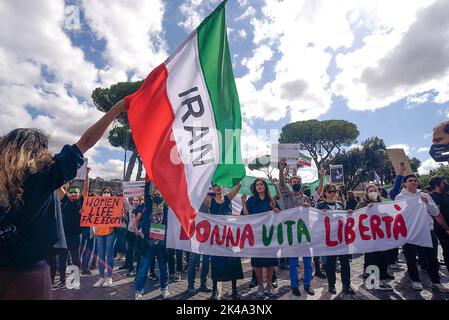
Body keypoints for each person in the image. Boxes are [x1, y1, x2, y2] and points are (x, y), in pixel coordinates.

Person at [0, 99, 127, 299]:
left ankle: (73, 281)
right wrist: (116, 110)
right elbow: (84, 143)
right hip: (29, 272)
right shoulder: (41, 175)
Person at [395, 174, 449, 292]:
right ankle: (415, 280)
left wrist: (427, 203)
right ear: (405, 183)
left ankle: (435, 281)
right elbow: (397, 214)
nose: (414, 182)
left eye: (415, 180)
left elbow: (435, 212)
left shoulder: (425, 196)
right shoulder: (400, 198)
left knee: (432, 258)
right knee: (411, 258)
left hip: (428, 231)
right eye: (410, 180)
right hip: (410, 233)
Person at [278, 160, 315, 297]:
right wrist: (281, 169)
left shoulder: (306, 198)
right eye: (294, 182)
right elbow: (281, 184)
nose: (296, 183)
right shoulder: (287, 195)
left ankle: (307, 284)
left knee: (307, 261)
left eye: (298, 181)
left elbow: (311, 213)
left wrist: (307, 207)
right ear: (291, 184)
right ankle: (294, 285)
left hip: (305, 233)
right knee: (293, 262)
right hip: (292, 233)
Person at [202, 183, 243, 300]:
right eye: (215, 186)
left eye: (220, 185)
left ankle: (235, 290)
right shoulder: (210, 201)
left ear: (223, 187)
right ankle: (214, 291)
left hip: (229, 237)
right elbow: (199, 193)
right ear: (213, 189)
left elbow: (238, 185)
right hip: (217, 239)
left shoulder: (228, 198)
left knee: (233, 262)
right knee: (216, 264)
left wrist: (229, 174)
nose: (218, 187)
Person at [242, 178, 280, 298]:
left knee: (270, 264)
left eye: (261, 184)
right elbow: (246, 215)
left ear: (265, 186)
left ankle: (268, 286)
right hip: (257, 236)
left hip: (270, 237)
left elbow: (279, 212)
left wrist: (276, 210)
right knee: (257, 264)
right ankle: (260, 286)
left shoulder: (271, 200)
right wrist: (243, 202)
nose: (259, 186)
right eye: (257, 184)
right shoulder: (251, 200)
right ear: (255, 187)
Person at [317, 184, 355, 296]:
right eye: (329, 191)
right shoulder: (320, 206)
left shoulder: (340, 204)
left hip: (342, 240)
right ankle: (331, 285)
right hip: (329, 241)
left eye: (334, 191)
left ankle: (346, 286)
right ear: (325, 193)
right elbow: (315, 222)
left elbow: (344, 220)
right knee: (331, 264)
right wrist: (320, 215)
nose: (332, 193)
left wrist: (349, 214)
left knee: (345, 264)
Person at [134, 185, 170, 300]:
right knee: (143, 268)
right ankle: (139, 291)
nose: (157, 196)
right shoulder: (148, 206)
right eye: (155, 194)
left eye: (159, 194)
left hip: (162, 244)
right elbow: (146, 191)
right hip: (148, 243)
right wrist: (148, 179)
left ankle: (164, 288)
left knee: (164, 268)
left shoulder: (166, 207)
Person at [356, 184, 393, 291]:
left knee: (382, 256)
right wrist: (367, 209)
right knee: (372, 257)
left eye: (374, 190)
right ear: (367, 193)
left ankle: (382, 277)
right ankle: (374, 277)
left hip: (381, 235)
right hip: (369, 235)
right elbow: (356, 215)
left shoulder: (382, 204)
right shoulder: (362, 204)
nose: (373, 192)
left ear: (378, 192)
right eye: (370, 191)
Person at [93, 187, 117, 288]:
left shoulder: (115, 205)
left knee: (109, 255)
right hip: (99, 233)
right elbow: (90, 214)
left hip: (110, 232)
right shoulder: (96, 204)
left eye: (108, 192)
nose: (106, 193)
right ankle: (101, 277)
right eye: (104, 192)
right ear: (101, 194)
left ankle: (109, 277)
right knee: (101, 256)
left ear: (111, 194)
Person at [430, 176, 449, 274]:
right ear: (436, 185)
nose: (445, 185)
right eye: (443, 183)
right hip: (442, 228)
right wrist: (446, 228)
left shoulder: (445, 194)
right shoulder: (433, 197)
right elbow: (437, 214)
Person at [122, 197, 142, 276]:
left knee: (137, 253)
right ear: (132, 201)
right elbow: (125, 200)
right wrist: (124, 214)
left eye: (137, 200)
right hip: (130, 233)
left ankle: (138, 270)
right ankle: (131, 269)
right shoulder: (130, 209)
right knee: (129, 252)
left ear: (139, 201)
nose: (136, 202)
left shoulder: (142, 209)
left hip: (138, 234)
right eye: (134, 200)